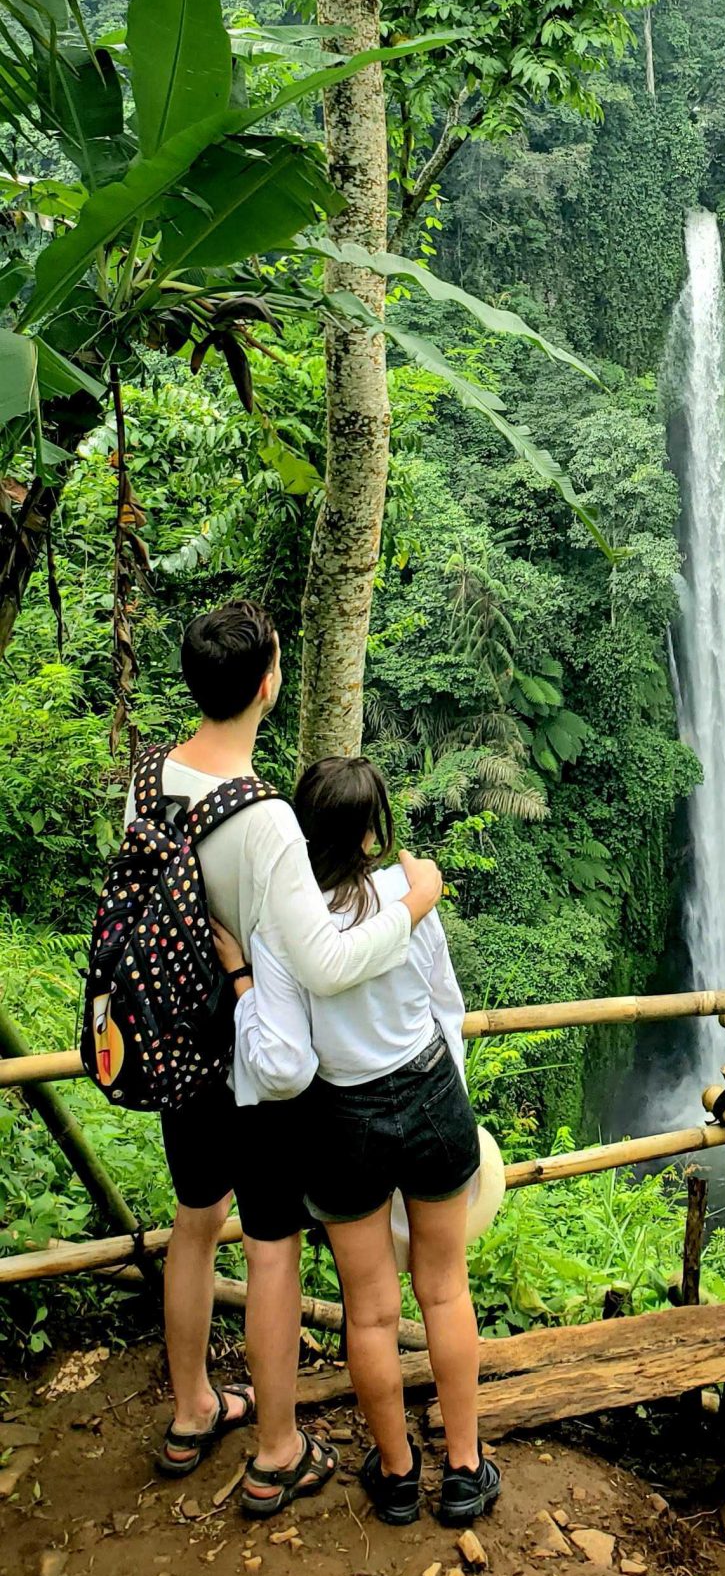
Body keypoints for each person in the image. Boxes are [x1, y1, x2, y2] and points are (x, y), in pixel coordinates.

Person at [130, 600, 444, 1517]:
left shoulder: (151, 776)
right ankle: (276, 1447)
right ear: (269, 683)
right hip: (252, 1064)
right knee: (269, 1247)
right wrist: (412, 903)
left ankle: (193, 1409)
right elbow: (326, 959)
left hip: (177, 1050)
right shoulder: (267, 816)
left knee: (195, 1221)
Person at [216, 755, 497, 1531]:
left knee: (369, 1315)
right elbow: (447, 1007)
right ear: (375, 833)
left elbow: (284, 1064)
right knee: (445, 1289)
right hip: (432, 1091)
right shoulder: (410, 900)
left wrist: (241, 983)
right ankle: (467, 1473)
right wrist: (445, 1097)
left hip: (344, 1123)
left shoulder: (281, 929)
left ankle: (399, 1477)